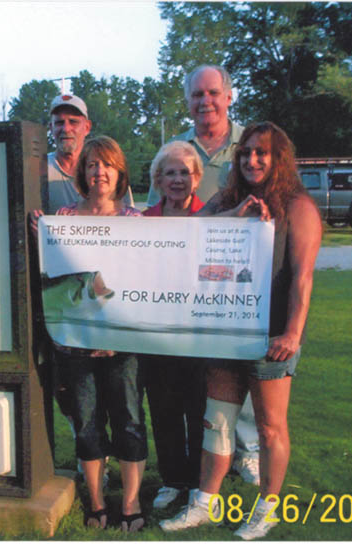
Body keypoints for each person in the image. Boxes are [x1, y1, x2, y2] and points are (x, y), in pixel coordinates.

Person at [159, 122, 322, 540]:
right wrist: (238, 215)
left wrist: (292, 334)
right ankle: (205, 504)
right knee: (217, 421)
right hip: (225, 330)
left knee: (269, 427)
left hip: (270, 335)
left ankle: (267, 507)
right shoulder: (228, 197)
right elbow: (191, 233)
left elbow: (303, 278)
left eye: (262, 153)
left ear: (278, 157)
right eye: (246, 152)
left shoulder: (298, 206)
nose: (252, 160)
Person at [148, 65, 260, 486]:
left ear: (229, 97)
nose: (205, 101)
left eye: (213, 93)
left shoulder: (248, 144)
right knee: (206, 379)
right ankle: (200, 463)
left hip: (238, 272)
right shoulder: (178, 148)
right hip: (187, 285)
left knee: (242, 365)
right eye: (197, 95)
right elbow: (153, 222)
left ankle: (248, 451)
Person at [35, 136, 147, 532]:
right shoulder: (63, 216)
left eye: (107, 165)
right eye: (92, 165)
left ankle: (131, 504)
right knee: (85, 422)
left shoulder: (136, 221)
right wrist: (41, 234)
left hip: (122, 343)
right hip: (75, 342)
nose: (99, 172)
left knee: (129, 420)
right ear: (82, 173)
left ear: (120, 173)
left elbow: (140, 280)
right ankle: (97, 503)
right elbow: (54, 276)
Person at [139, 141, 207, 511]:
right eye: (170, 172)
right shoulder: (144, 221)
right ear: (159, 180)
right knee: (163, 409)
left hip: (198, 334)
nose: (178, 179)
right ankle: (172, 479)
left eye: (185, 172)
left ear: (196, 178)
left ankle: (198, 481)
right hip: (157, 333)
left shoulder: (212, 219)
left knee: (198, 411)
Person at [47, 93, 133, 213]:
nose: (66, 129)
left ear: (87, 127)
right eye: (59, 123)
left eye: (73, 122)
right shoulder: (38, 171)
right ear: (51, 128)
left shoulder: (110, 173)